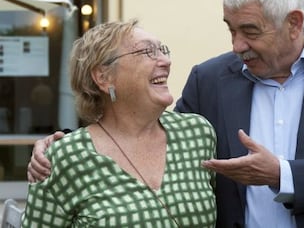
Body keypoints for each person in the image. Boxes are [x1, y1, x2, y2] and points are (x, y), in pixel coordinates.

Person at [28, 0, 304, 228]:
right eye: (230, 29)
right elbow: (146, 132)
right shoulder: (211, 78)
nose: (237, 45)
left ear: (294, 23)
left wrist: (282, 174)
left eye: (250, 31)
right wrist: (61, 149)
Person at [22, 19, 217, 227]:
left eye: (162, 50)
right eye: (146, 52)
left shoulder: (197, 134)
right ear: (104, 77)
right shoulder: (65, 158)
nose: (165, 61)